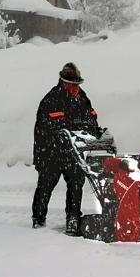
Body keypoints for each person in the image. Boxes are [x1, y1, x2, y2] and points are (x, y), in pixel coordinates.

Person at [32, 62, 102, 235]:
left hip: (73, 152)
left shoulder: (82, 99)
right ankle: (38, 219)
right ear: (63, 83)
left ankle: (73, 219)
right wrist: (58, 135)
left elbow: (91, 118)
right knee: (46, 186)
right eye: (73, 85)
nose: (76, 88)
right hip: (50, 152)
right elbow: (44, 128)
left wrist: (96, 131)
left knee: (76, 185)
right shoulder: (51, 100)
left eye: (78, 85)